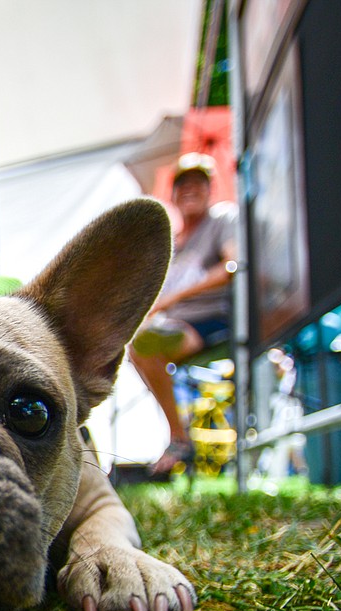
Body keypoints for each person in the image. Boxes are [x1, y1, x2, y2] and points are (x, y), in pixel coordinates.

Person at [129, 153, 237, 476]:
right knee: (135, 343)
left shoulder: (221, 221)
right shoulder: (173, 243)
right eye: (183, 184)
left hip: (212, 320)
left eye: (198, 183)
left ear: (209, 189)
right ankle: (177, 430)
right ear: (173, 194)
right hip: (174, 323)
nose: (191, 190)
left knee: (145, 344)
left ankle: (179, 437)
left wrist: (172, 299)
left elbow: (230, 267)